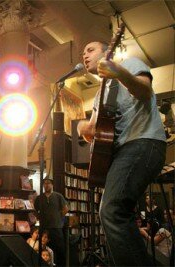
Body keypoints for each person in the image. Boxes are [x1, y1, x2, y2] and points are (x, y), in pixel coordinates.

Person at [78, 41, 167, 266]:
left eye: (90, 50)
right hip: (122, 152)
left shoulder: (130, 64)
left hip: (143, 142)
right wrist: (82, 128)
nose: (85, 55)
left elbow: (145, 92)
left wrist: (118, 72)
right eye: (83, 52)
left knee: (112, 210)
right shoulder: (99, 94)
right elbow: (93, 131)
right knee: (109, 211)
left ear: (109, 51)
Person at [34, 177, 68, 267]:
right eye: (45, 183)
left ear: (52, 185)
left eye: (48, 183)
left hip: (57, 228)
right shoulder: (39, 198)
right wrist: (39, 217)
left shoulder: (58, 196)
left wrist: (58, 217)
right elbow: (35, 210)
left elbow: (65, 209)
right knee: (45, 250)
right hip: (44, 228)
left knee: (60, 250)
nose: (47, 185)